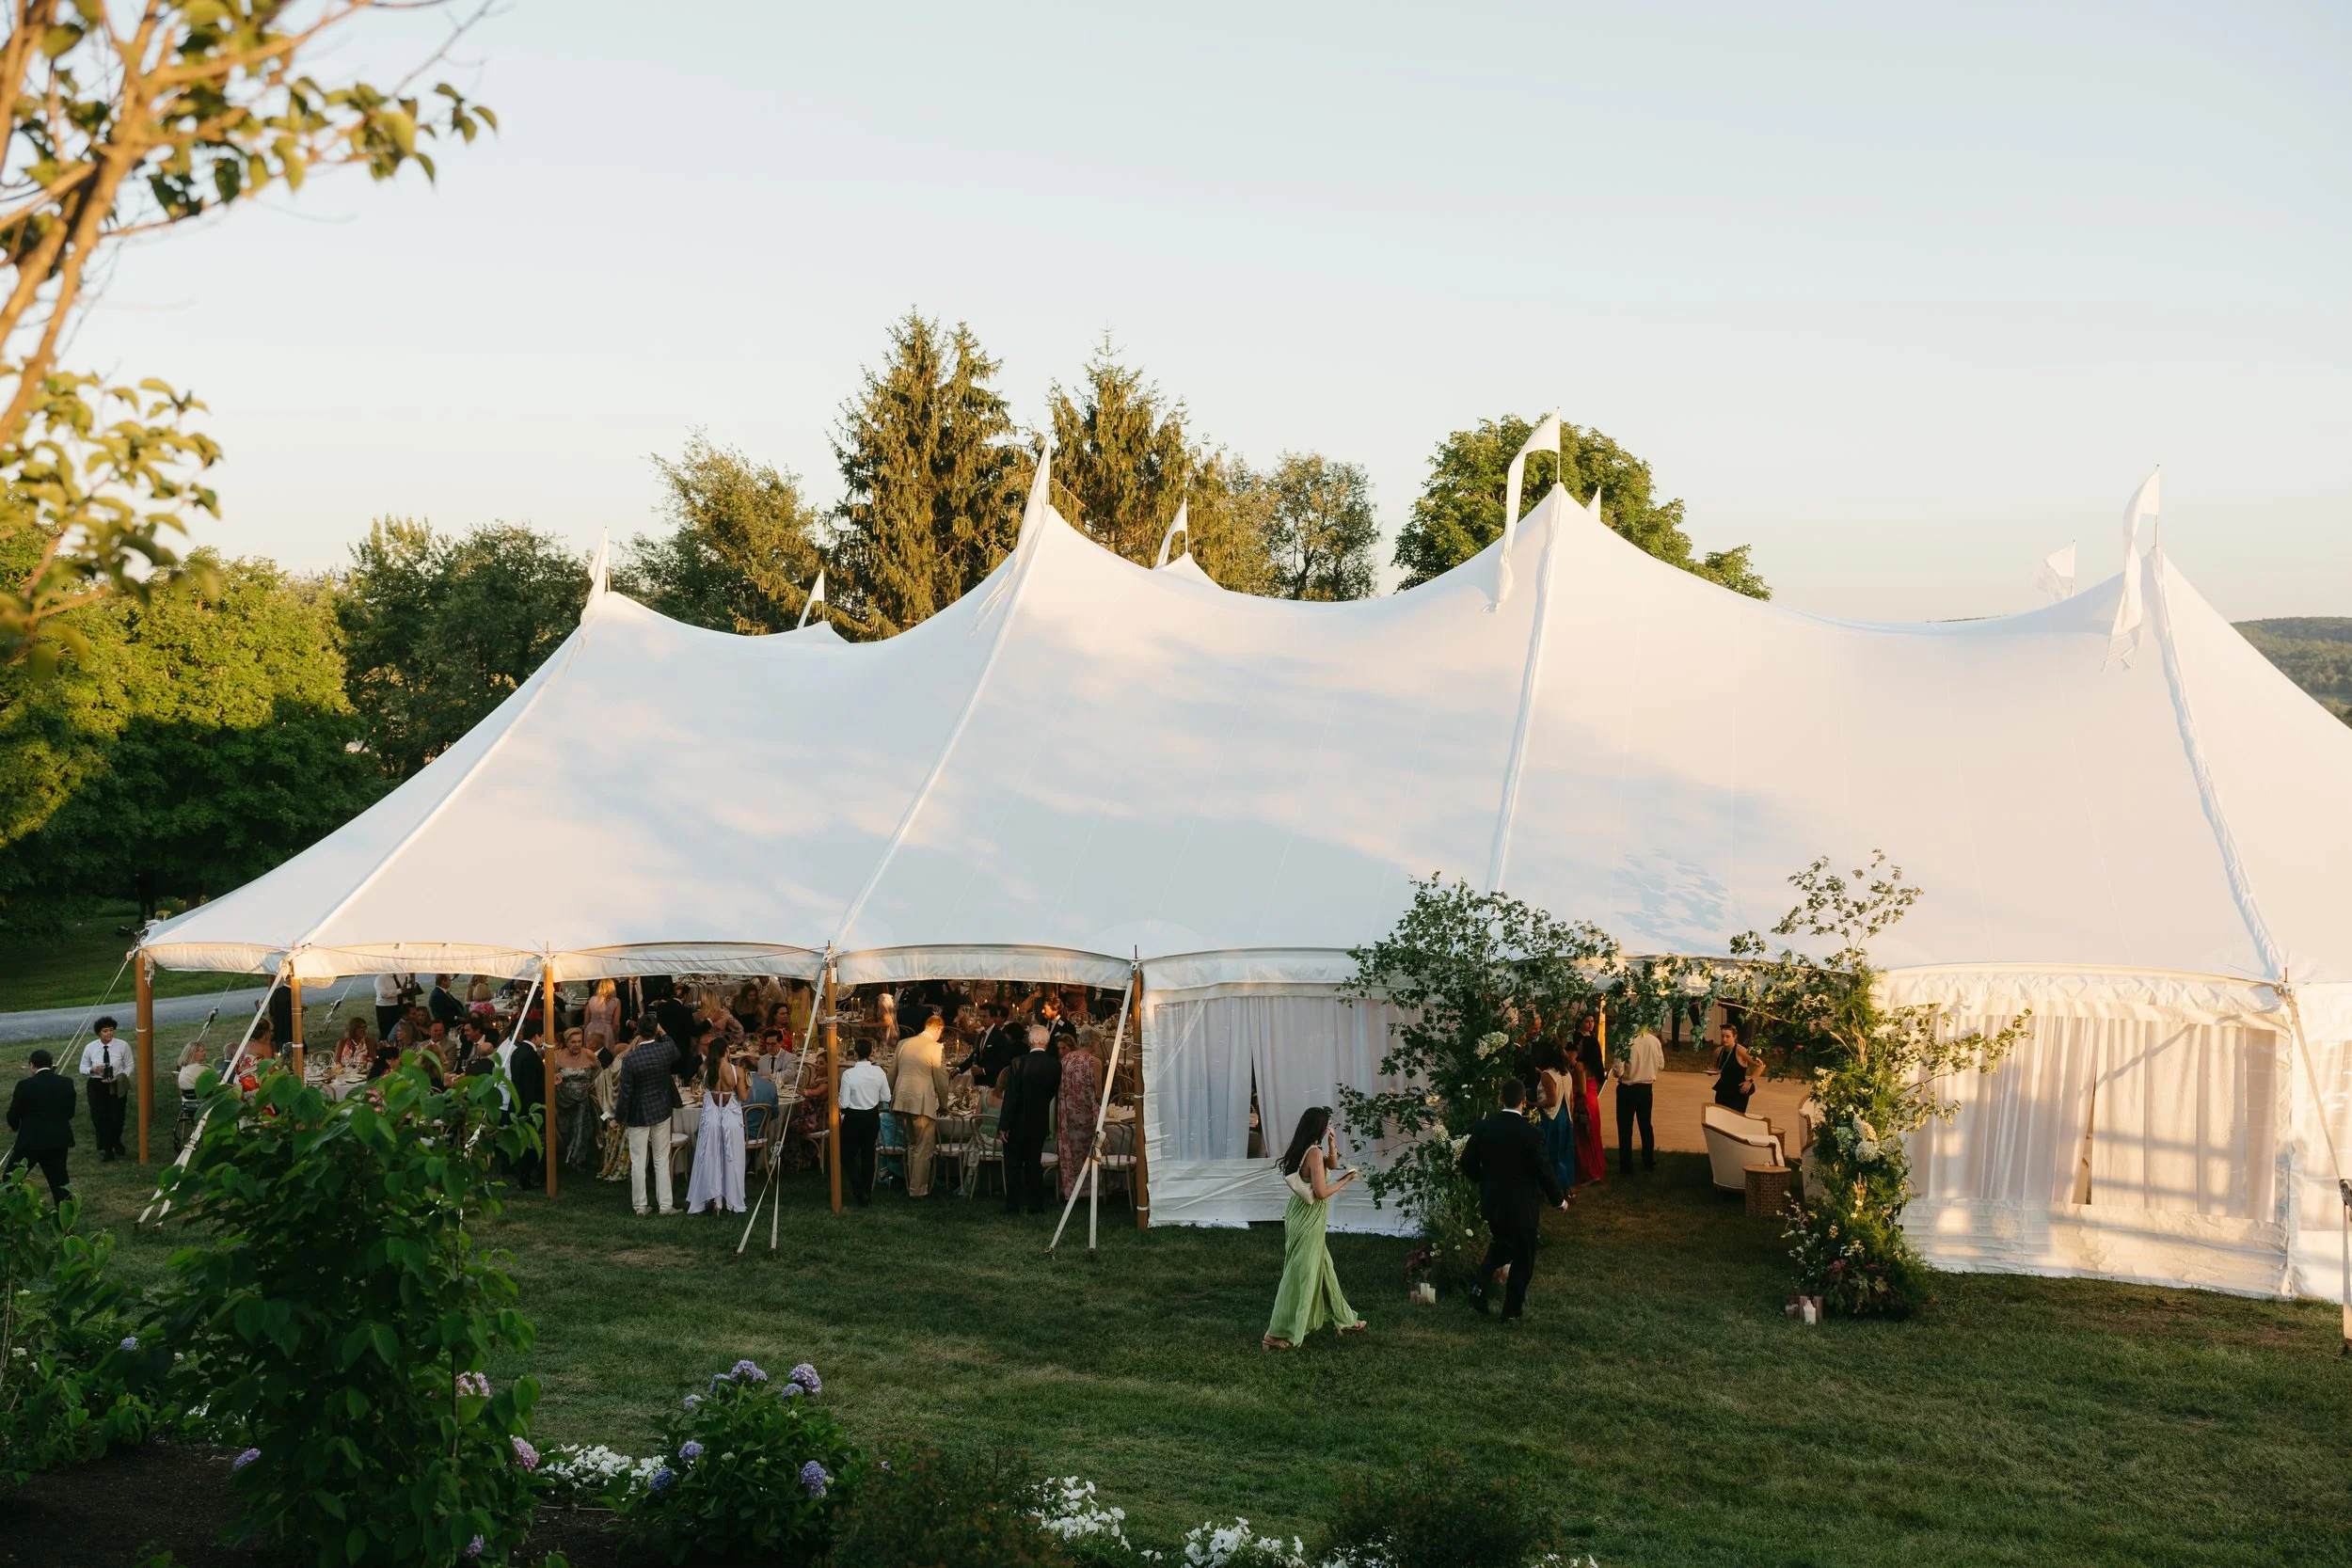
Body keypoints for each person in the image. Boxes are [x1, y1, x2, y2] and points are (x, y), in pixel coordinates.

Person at [1458, 1078, 1567, 1323]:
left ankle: (1479, 1286)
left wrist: (1484, 1180)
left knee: (1503, 1245)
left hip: (1493, 1202)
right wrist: (1558, 1200)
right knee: (1523, 1257)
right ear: (1524, 1102)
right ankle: (1511, 1310)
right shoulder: (1531, 1134)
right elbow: (1544, 1171)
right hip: (1521, 1207)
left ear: (1501, 1099)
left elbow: (1466, 1163)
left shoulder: (1484, 1127)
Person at [1263, 1106, 1366, 1350]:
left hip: (1300, 1214)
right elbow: (1321, 1193)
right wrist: (1346, 1180)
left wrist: (1332, 1145)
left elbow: (1330, 1163)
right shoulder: (1313, 1154)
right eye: (1326, 1126)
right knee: (1301, 1274)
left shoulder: (1306, 1149)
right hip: (1309, 1218)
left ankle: (1344, 1318)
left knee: (1324, 1268)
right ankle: (1275, 1333)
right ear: (1318, 1127)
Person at [616, 1022, 681, 1215]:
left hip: (638, 1113)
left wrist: (618, 1117)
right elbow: (675, 1051)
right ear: (656, 1031)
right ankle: (665, 1205)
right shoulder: (664, 1050)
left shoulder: (631, 1059)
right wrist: (664, 1031)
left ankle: (640, 1205)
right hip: (661, 1109)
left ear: (638, 1033)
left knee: (638, 1161)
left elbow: (625, 1092)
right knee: (661, 1159)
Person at [996, 1024, 1061, 1215]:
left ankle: (1012, 1205)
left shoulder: (1018, 1062)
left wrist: (1004, 1124)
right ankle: (1036, 1205)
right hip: (1039, 1118)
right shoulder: (1055, 1065)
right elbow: (1051, 1092)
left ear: (1029, 1040)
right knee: (1034, 1164)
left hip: (1016, 1120)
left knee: (1013, 1165)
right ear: (1047, 1042)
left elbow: (1011, 1097)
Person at [685, 1030, 749, 1214]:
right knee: (731, 1158)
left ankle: (714, 1199)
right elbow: (743, 1097)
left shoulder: (705, 1070)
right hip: (730, 1120)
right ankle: (729, 1200)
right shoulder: (737, 1071)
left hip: (711, 1120)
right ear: (727, 1051)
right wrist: (749, 1086)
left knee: (711, 1158)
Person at [892, 1010, 953, 1198]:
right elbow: (942, 1079)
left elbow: (891, 1073)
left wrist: (890, 1097)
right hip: (922, 1103)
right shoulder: (936, 1048)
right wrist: (944, 1104)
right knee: (923, 1148)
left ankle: (912, 1184)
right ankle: (918, 1191)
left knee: (911, 1144)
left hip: (902, 1100)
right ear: (939, 1029)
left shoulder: (903, 1044)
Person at [6, 1049, 77, 1204]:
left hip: (30, 1140)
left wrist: (16, 1126)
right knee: (60, 1182)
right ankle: (67, 1222)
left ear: (32, 1065)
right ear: (51, 1064)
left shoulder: (25, 1085)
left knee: (10, 1178)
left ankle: (7, 1213)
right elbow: (70, 1112)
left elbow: (13, 1114)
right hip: (58, 1140)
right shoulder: (66, 1083)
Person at [837, 1039, 890, 1207]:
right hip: (872, 1117)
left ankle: (860, 1189)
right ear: (871, 1053)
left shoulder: (848, 1074)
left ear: (855, 1053)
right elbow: (886, 1097)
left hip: (853, 1117)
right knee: (868, 1154)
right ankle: (865, 1191)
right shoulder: (879, 1072)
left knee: (846, 1155)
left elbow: (843, 1104)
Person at [77, 1016, 134, 1162]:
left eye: (111, 1030)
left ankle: (116, 1140)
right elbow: (82, 1068)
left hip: (118, 1083)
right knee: (100, 1117)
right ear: (99, 1033)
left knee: (118, 1116)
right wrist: (92, 1069)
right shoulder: (90, 1047)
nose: (109, 1033)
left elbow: (129, 1065)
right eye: (105, 1031)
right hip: (97, 1085)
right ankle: (107, 1149)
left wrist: (121, 1076)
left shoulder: (123, 1045)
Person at [1612, 1022, 1663, 1174]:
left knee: (1625, 1128)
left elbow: (1618, 1072)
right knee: (1646, 1125)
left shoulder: (1625, 1041)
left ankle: (1626, 1165)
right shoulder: (1655, 1041)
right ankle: (1648, 1161)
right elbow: (1661, 1064)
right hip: (1646, 1089)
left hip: (1627, 1089)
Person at [1057, 1032, 1104, 1200]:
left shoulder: (1066, 1060)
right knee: (1090, 1149)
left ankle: (1074, 1187)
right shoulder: (1094, 1062)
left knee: (1073, 1151)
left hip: (1068, 1113)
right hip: (1087, 1113)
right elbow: (1098, 1093)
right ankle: (1091, 1188)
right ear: (1093, 1044)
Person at [552, 1028, 601, 1171]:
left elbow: (599, 1072)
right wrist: (555, 1077)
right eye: (573, 1042)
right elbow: (550, 1073)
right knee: (566, 1129)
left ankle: (579, 1160)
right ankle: (568, 1156)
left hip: (583, 1100)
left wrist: (593, 1083)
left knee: (582, 1128)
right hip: (562, 1100)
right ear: (567, 1043)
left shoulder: (589, 1055)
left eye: (579, 1041)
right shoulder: (557, 1056)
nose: (577, 1045)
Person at [509, 1023, 548, 1189]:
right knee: (532, 1143)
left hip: (517, 1103)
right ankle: (526, 1177)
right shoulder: (531, 1057)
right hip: (529, 1106)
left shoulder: (517, 1052)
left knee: (524, 1143)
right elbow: (530, 1085)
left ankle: (523, 1175)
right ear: (536, 1036)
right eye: (542, 1036)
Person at [1536, 1047, 1578, 1196]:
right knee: (1563, 1151)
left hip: (1551, 1117)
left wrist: (1532, 1104)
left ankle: (1543, 1187)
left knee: (1547, 1151)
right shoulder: (1566, 1074)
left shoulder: (1547, 1074)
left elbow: (1551, 1101)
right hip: (1565, 1115)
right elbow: (1571, 1098)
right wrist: (1571, 1117)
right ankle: (1565, 1186)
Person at [1712, 1023, 1759, 1113]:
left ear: (1735, 1037)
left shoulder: (1741, 1051)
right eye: (1722, 1036)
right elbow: (1716, 1068)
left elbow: (1761, 1065)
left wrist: (1750, 1081)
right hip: (1723, 1089)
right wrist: (1712, 1071)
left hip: (1738, 1091)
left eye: (1727, 1036)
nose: (1724, 1039)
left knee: (1736, 1119)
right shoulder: (1718, 1051)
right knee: (1720, 1116)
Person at [583, 978, 622, 1056]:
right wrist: (616, 1036)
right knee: (606, 1055)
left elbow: (586, 1020)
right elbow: (616, 1023)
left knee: (589, 1055)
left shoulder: (592, 999)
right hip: (607, 1030)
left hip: (591, 1028)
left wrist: (586, 1030)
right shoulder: (615, 1001)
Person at [373, 972, 407, 1040]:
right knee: (386, 1031)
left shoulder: (401, 975)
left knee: (399, 1028)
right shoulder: (381, 978)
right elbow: (382, 994)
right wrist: (400, 991)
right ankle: (385, 1047)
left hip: (399, 1005)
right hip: (385, 1008)